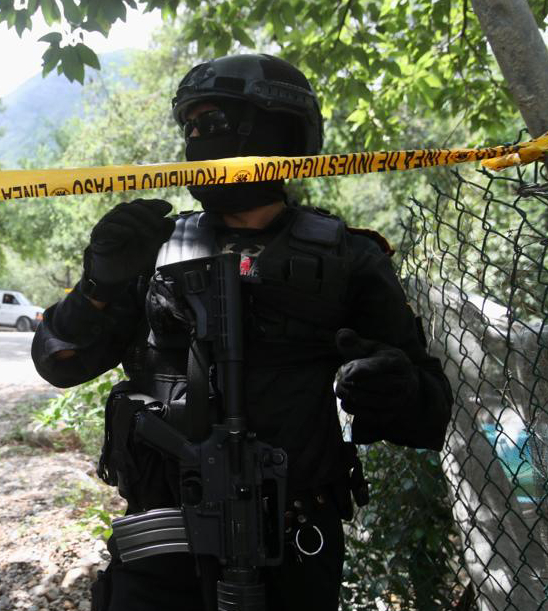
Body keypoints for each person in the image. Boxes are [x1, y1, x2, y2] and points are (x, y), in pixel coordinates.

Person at [31, 54, 453, 611]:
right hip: (163, 540)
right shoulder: (150, 248)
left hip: (293, 539)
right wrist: (97, 285)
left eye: (214, 123)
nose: (197, 140)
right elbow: (60, 363)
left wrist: (394, 388)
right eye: (190, 127)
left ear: (280, 131)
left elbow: (431, 416)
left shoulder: (348, 258)